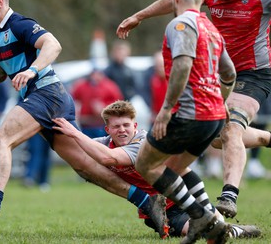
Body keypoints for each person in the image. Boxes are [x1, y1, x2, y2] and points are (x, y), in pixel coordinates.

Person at [0, 0, 162, 230]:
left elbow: (53, 45)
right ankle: (147, 200)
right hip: (43, 100)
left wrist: (32, 70)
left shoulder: (20, 24)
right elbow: (0, 71)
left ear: (0, 1)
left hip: (47, 93)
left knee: (0, 140)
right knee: (87, 167)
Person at [116, 0, 271, 219]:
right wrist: (140, 16)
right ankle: (265, 137)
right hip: (224, 72)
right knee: (219, 138)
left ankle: (228, 196)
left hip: (254, 74)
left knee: (230, 129)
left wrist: (168, 108)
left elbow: (183, 63)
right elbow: (171, 1)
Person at [124, 0, 237, 243]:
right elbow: (229, 73)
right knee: (175, 167)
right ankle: (211, 223)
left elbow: (182, 66)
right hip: (213, 117)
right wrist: (221, 101)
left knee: (145, 164)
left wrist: (165, 110)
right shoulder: (211, 28)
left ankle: (200, 216)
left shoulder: (181, 23)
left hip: (190, 113)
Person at [53, 101, 261, 240]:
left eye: (126, 125)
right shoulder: (104, 143)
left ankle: (233, 228)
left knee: (211, 229)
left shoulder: (142, 141)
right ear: (108, 130)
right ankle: (232, 229)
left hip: (183, 194)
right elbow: (84, 152)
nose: (122, 130)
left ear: (135, 126)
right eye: (116, 127)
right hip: (160, 211)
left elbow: (108, 159)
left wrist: (74, 132)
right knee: (205, 233)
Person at [71, 68, 123, 138]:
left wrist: (105, 107)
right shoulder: (81, 86)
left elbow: (119, 104)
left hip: (104, 124)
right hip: (86, 124)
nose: (95, 77)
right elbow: (73, 99)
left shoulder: (110, 86)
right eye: (93, 74)